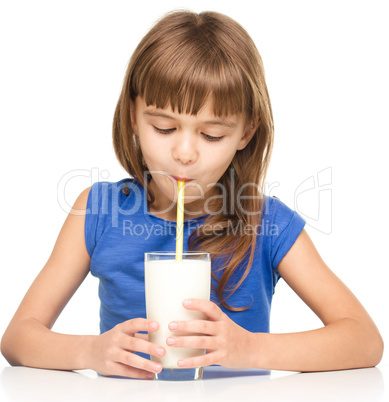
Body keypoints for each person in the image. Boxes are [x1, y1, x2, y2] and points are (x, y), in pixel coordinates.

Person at [1, 10, 383, 380]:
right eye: (164, 127)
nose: (185, 153)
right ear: (133, 115)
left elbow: (364, 341)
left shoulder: (266, 224)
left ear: (246, 133)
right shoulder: (100, 212)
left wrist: (250, 349)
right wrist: (89, 352)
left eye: (212, 135)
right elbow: (18, 338)